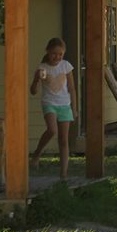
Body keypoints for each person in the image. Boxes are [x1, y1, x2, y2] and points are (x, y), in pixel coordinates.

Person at [29, 37, 76, 178]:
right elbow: (33, 91)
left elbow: (72, 88)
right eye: (54, 53)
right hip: (49, 103)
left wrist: (75, 108)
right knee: (52, 130)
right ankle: (37, 154)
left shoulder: (66, 66)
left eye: (60, 54)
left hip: (65, 105)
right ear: (48, 52)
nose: (57, 57)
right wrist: (36, 79)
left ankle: (63, 173)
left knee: (63, 139)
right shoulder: (42, 68)